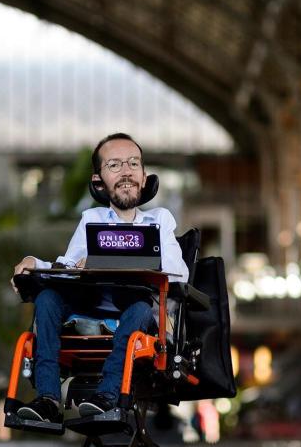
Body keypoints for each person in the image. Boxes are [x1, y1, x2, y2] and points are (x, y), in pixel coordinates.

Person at [11, 133, 189, 423]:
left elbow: (181, 272)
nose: (127, 172)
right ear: (99, 181)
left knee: (140, 307)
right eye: (115, 165)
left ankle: (107, 396)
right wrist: (36, 263)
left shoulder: (159, 220)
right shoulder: (92, 220)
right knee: (47, 297)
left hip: (138, 310)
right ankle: (47, 399)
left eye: (133, 163)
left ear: (145, 177)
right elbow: (68, 267)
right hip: (93, 306)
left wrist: (123, 260)